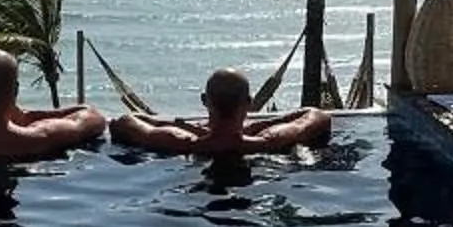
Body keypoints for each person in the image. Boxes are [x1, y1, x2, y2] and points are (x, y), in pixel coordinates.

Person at [110, 67, 332, 157]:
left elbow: (124, 121)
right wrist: (258, 126)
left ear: (205, 101)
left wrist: (188, 128)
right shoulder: (269, 141)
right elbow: (317, 115)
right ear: (249, 103)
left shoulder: (180, 142)